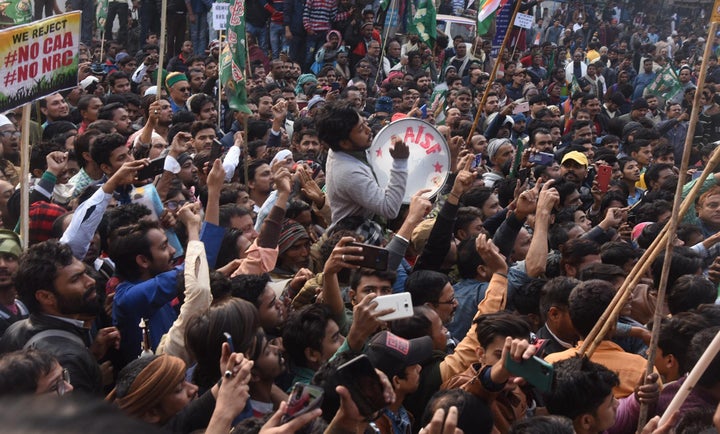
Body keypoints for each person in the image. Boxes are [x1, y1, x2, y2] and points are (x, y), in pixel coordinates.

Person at [317, 100, 409, 225]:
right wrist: (400, 162)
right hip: (357, 237)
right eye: (360, 129)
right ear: (344, 142)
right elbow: (390, 209)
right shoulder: (348, 172)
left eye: (365, 123)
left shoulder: (345, 148)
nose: (368, 130)